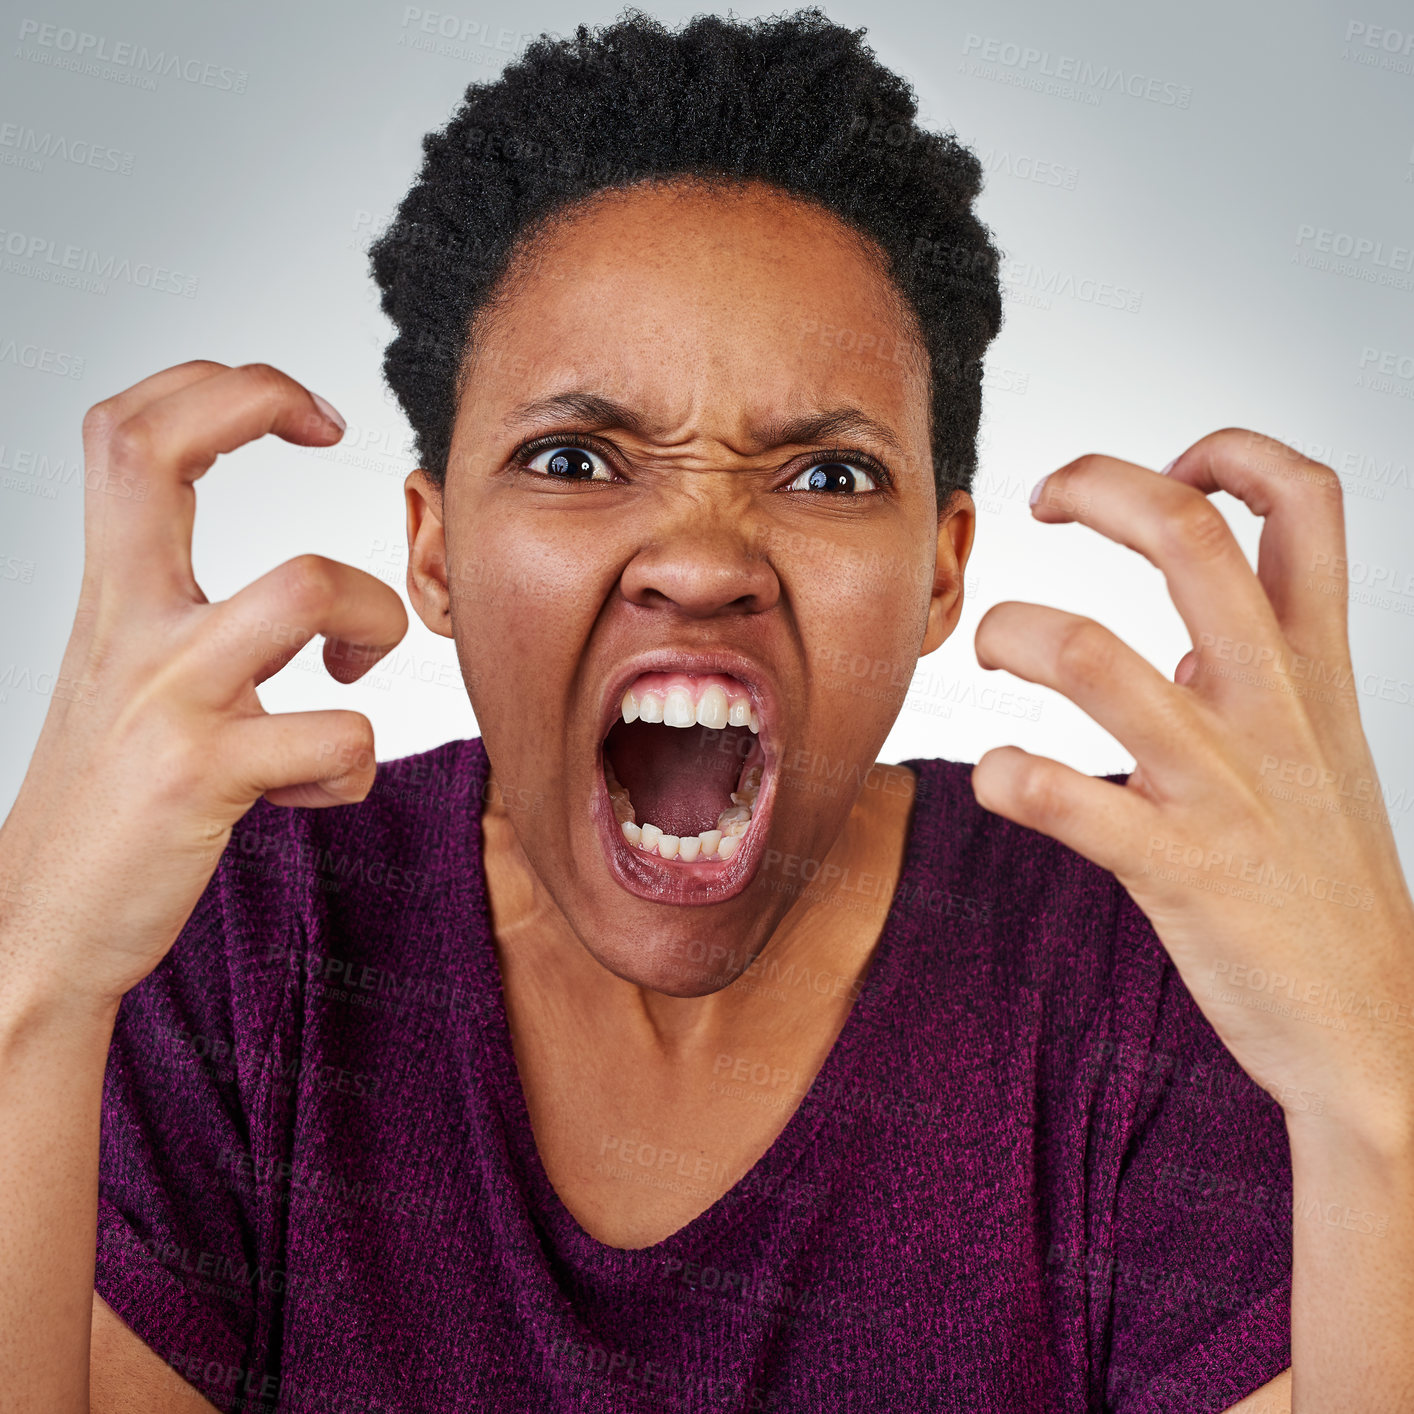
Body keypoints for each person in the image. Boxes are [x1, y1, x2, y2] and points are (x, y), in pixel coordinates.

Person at [2, 8, 1411, 1412]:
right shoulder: (251, 930)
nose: (699, 559)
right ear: (435, 550)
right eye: (572, 455)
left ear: (940, 569)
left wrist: (1377, 1098)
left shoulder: (1143, 956)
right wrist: (31, 986)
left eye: (828, 477)